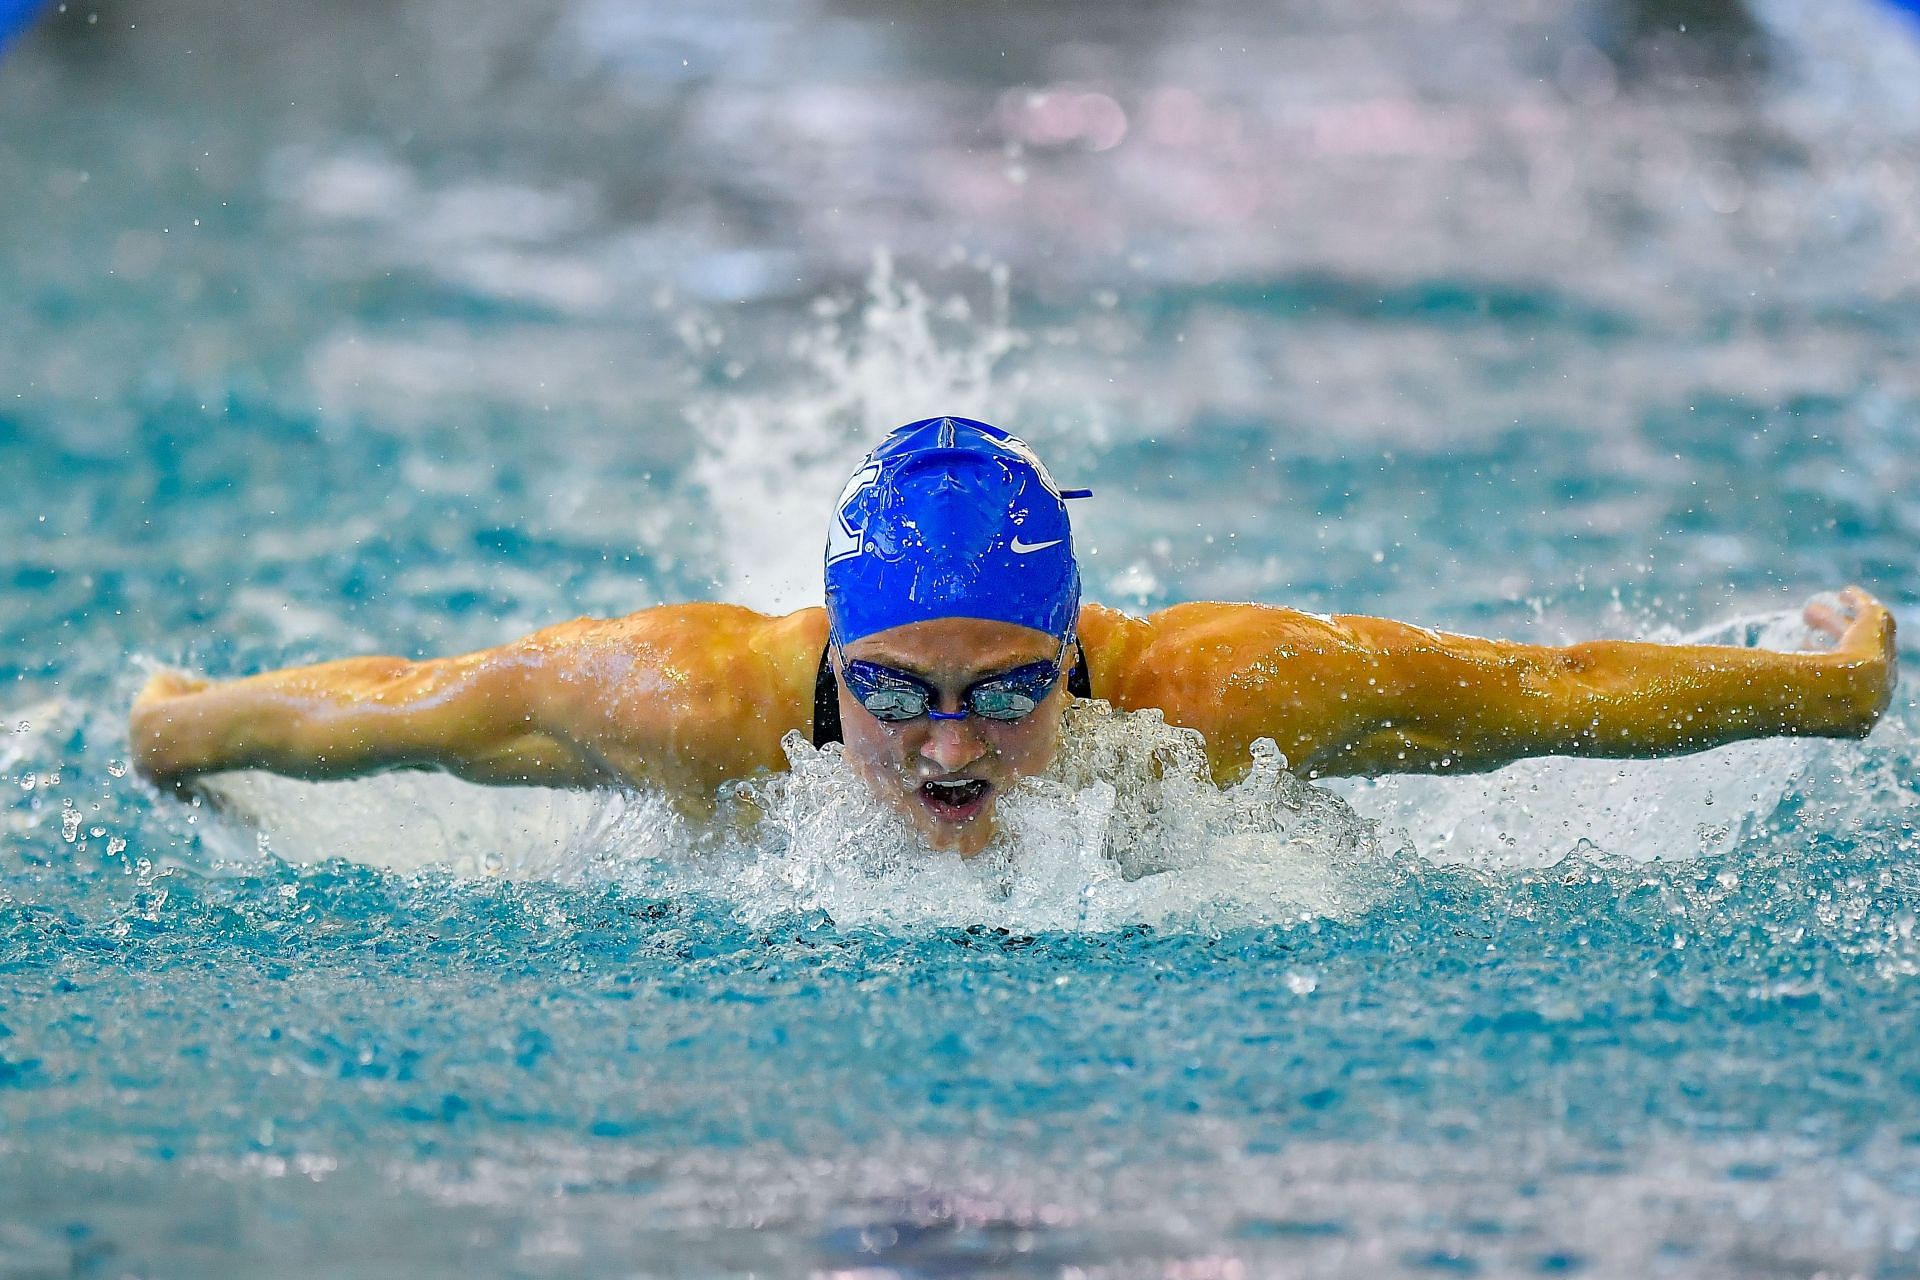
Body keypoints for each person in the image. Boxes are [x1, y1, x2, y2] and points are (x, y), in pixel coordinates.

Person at [131, 416, 1897, 857]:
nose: (953, 750)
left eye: (1007, 694)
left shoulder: (1214, 692)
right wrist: (188, 731)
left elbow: (1537, 696)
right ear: (831, 658)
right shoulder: (696, 701)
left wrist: (1831, 693)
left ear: (1085, 655)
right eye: (894, 695)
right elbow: (420, 709)